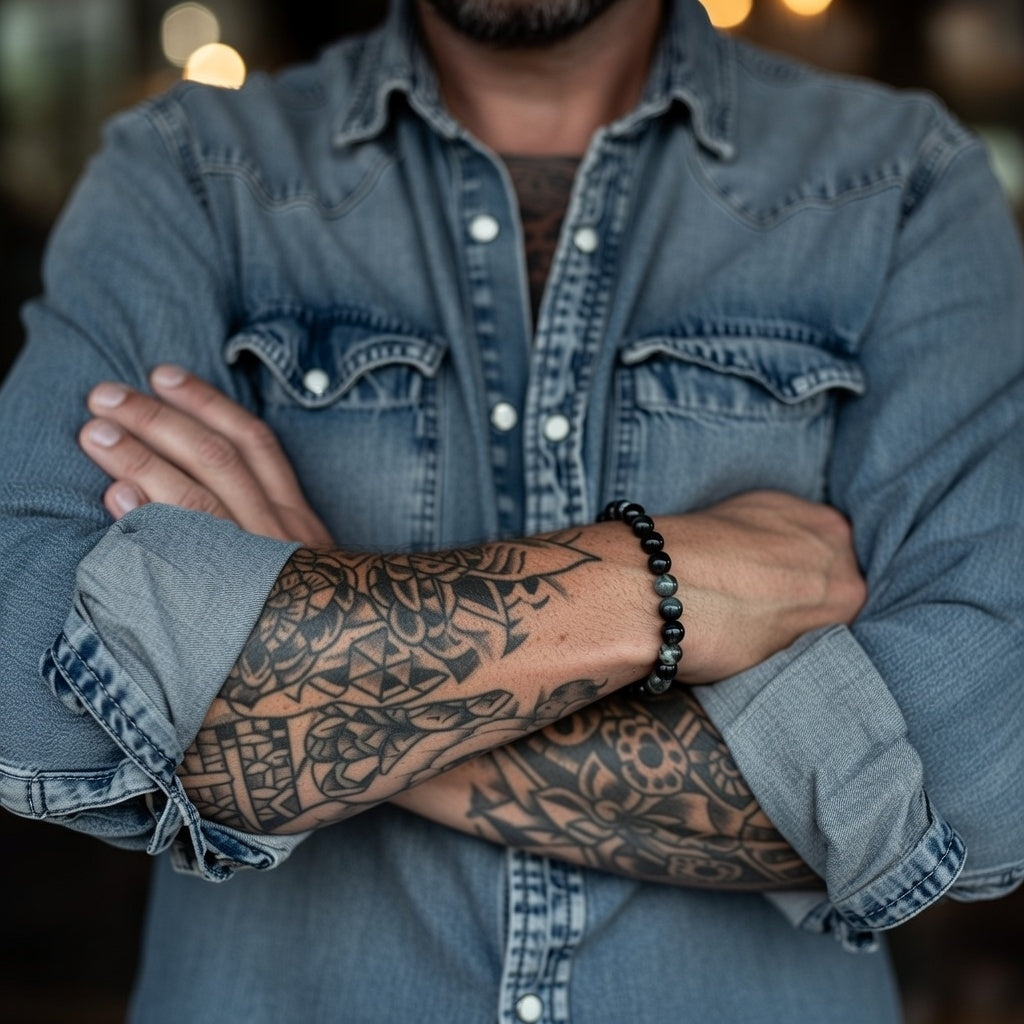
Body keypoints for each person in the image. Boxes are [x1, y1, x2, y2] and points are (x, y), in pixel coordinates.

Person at [1, 0, 1022, 1020]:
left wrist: (310, 650)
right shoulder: (188, 170)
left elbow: (976, 776)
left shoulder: (902, 182)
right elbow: (33, 691)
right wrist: (650, 584)